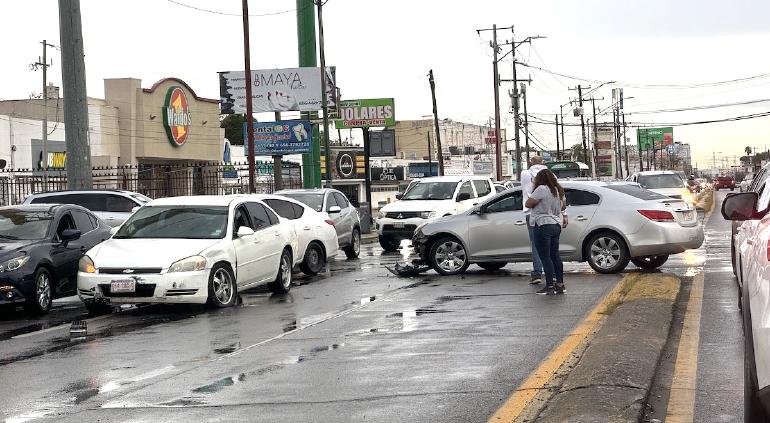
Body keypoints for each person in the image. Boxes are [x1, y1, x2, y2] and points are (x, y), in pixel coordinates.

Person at [525, 169, 566, 295]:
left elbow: (528, 203)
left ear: (540, 179)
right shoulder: (558, 190)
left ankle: (549, 286)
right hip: (555, 224)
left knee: (545, 256)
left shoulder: (542, 189)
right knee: (555, 255)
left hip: (542, 224)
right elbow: (563, 207)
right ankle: (559, 284)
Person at [521, 156, 548, 284]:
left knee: (535, 245)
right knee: (549, 245)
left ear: (530, 162)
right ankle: (552, 274)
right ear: (543, 162)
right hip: (547, 213)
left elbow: (527, 193)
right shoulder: (549, 175)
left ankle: (537, 273)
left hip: (532, 213)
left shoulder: (526, 174)